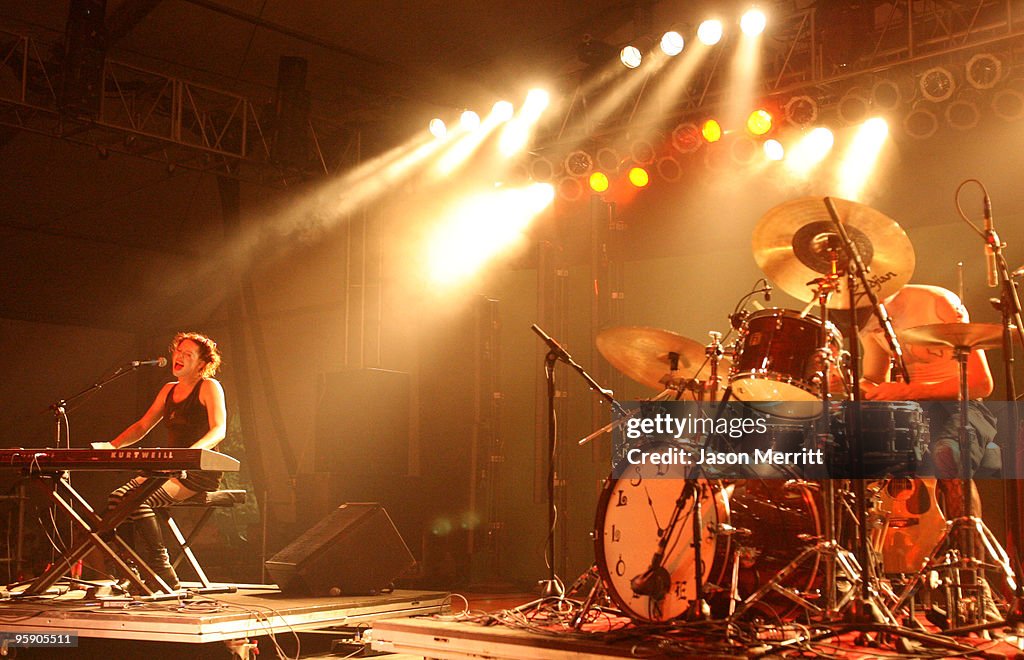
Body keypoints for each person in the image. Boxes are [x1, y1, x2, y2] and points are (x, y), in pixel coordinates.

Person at [91, 331, 227, 592]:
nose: (179, 357)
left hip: (197, 471)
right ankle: (129, 569)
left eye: (188, 354)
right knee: (116, 499)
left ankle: (161, 571)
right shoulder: (168, 390)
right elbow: (143, 425)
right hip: (168, 469)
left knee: (137, 500)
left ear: (201, 363)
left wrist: (189, 456)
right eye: (178, 351)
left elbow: (219, 430)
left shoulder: (209, 387)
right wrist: (112, 446)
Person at [858, 284, 997, 513]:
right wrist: (848, 380)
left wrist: (908, 391)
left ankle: (967, 540)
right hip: (911, 411)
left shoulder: (935, 301)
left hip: (961, 406)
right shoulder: (867, 321)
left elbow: (981, 384)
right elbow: (874, 381)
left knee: (948, 454)